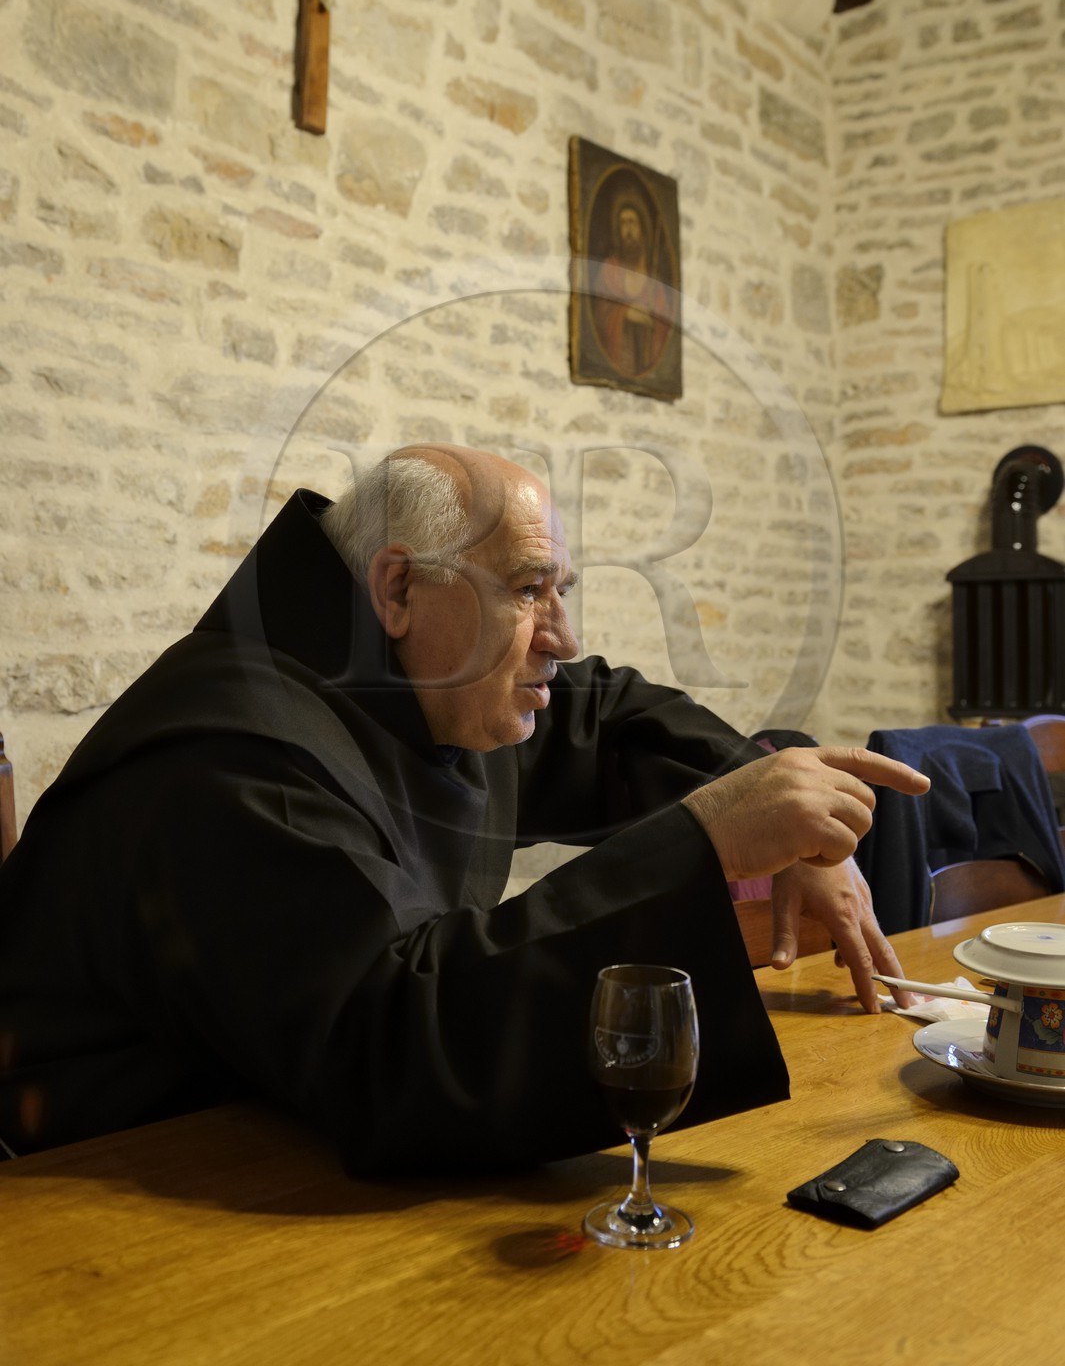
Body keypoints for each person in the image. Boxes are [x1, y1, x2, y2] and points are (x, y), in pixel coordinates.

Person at [0, 446, 928, 1171]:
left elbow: (608, 716)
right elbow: (398, 1048)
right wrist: (706, 838)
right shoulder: (237, 758)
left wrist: (786, 810)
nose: (563, 636)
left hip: (282, 1144)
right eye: (529, 590)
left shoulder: (422, 682)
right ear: (398, 589)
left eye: (558, 589)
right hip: (103, 1200)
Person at [591, 191, 678, 378]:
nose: (628, 229)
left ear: (642, 229)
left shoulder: (654, 283)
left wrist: (652, 320)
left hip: (643, 355)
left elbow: (665, 324)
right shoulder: (609, 270)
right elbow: (599, 314)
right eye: (623, 223)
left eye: (632, 222)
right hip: (619, 354)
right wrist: (625, 313)